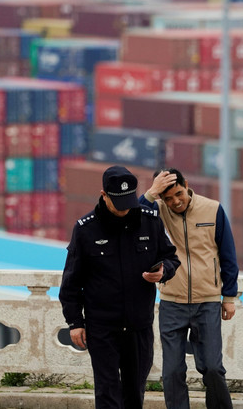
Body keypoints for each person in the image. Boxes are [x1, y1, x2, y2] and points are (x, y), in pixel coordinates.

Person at [59, 165, 180, 409]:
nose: (125, 209)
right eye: (118, 202)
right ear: (104, 195)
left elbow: (171, 258)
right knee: (107, 391)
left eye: (129, 201)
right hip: (102, 327)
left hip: (139, 325)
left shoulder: (150, 221)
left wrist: (163, 270)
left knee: (134, 392)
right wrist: (75, 323)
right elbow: (71, 282)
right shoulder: (85, 229)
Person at [140, 168, 239, 409]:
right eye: (168, 198)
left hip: (208, 301)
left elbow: (228, 255)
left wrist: (229, 296)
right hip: (172, 302)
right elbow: (133, 219)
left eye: (178, 194)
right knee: (172, 372)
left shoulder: (213, 209)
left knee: (213, 368)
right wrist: (151, 193)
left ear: (187, 185)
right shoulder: (156, 210)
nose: (175, 202)